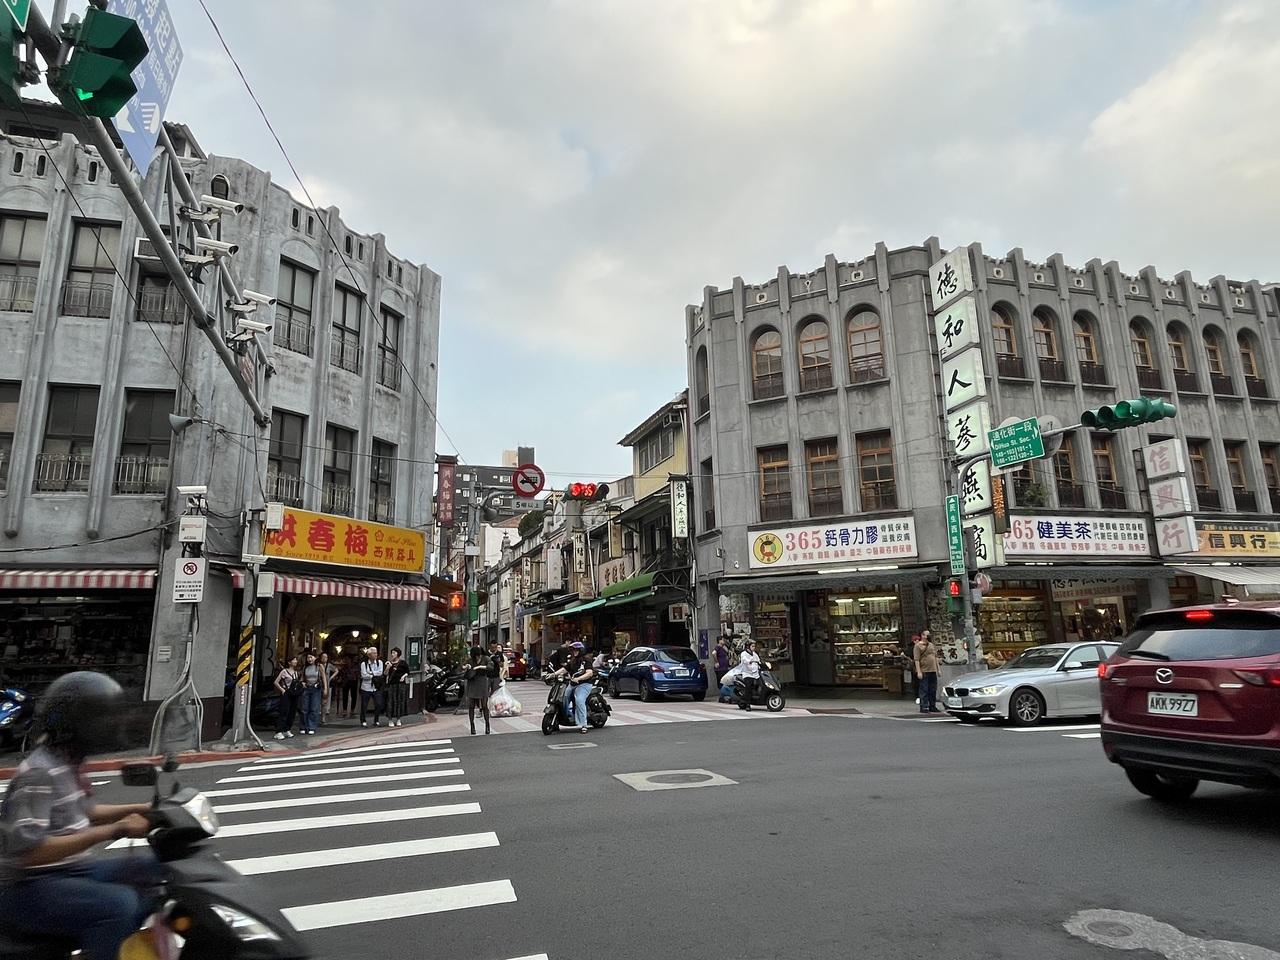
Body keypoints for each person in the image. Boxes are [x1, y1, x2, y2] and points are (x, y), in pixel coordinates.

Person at [0, 672, 158, 960]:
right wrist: (116, 830)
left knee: (155, 871)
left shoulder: (67, 762)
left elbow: (85, 811)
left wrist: (143, 808)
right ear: (78, 722)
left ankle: (109, 946)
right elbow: (28, 852)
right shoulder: (39, 773)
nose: (113, 724)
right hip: (26, 885)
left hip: (71, 870)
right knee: (119, 905)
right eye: (103, 717)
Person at [554, 641, 595, 733]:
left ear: (581, 650)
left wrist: (579, 678)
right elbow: (564, 669)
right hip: (572, 684)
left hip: (584, 684)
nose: (575, 652)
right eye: (573, 650)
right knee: (563, 698)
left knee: (579, 700)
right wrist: (553, 674)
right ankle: (566, 716)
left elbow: (589, 673)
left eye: (576, 650)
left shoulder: (586, 660)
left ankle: (583, 724)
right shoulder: (572, 661)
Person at [463, 646, 491, 735]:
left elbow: (490, 667)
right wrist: (466, 667)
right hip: (472, 682)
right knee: (471, 705)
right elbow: (462, 667)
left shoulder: (486, 658)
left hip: (482, 682)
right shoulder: (470, 660)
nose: (477, 658)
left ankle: (487, 725)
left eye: (478, 655)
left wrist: (480, 667)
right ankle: (472, 725)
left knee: (484, 705)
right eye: (475, 656)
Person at [273, 655, 301, 740]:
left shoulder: (296, 672)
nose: (295, 661)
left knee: (292, 713)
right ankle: (278, 731)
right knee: (284, 712)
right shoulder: (284, 671)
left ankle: (287, 729)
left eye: (296, 660)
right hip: (286, 693)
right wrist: (282, 690)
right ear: (289, 662)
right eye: (294, 660)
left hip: (294, 694)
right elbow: (276, 682)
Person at [914, 630, 941, 713]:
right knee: (924, 689)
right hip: (924, 670)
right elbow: (916, 659)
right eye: (927, 634)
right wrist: (919, 671)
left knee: (933, 689)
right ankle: (924, 706)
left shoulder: (931, 645)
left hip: (933, 670)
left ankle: (932, 705)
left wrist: (938, 669)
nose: (928, 636)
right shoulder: (918, 646)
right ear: (922, 635)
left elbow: (935, 657)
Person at [360, 645, 386, 727]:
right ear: (369, 655)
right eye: (374, 653)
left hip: (376, 687)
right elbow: (364, 675)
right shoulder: (364, 664)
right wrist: (374, 674)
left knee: (378, 704)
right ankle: (363, 720)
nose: (376, 655)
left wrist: (370, 673)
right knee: (364, 705)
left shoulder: (379, 662)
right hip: (366, 687)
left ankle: (376, 720)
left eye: (376, 653)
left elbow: (380, 673)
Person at [299, 651, 324, 735]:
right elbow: (302, 678)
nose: (309, 659)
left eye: (311, 657)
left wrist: (326, 689)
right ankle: (303, 726)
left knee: (314, 708)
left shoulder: (319, 666)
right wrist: (302, 683)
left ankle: (311, 727)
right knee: (304, 708)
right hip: (306, 688)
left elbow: (324, 678)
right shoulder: (305, 667)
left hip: (316, 688)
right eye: (308, 658)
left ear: (315, 658)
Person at [385, 647, 410, 727]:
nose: (392, 654)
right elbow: (385, 674)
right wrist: (388, 667)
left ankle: (398, 719)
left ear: (398, 654)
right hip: (392, 685)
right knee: (390, 701)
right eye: (392, 653)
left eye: (394, 653)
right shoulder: (389, 663)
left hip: (400, 685)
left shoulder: (403, 663)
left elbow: (407, 672)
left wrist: (403, 676)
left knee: (399, 701)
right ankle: (390, 720)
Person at [738, 640, 761, 709]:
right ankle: (748, 704)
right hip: (747, 673)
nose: (754, 648)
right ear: (748, 647)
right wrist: (750, 661)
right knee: (748, 687)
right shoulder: (743, 654)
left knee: (759, 684)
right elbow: (745, 661)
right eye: (752, 646)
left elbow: (759, 661)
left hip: (755, 674)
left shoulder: (755, 654)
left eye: (754, 646)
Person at [319, 652, 338, 722]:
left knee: (324, 701)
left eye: (326, 657)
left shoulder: (329, 665)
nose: (324, 658)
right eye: (323, 657)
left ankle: (323, 717)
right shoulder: (318, 665)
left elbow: (336, 670)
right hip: (318, 684)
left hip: (326, 684)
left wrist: (331, 677)